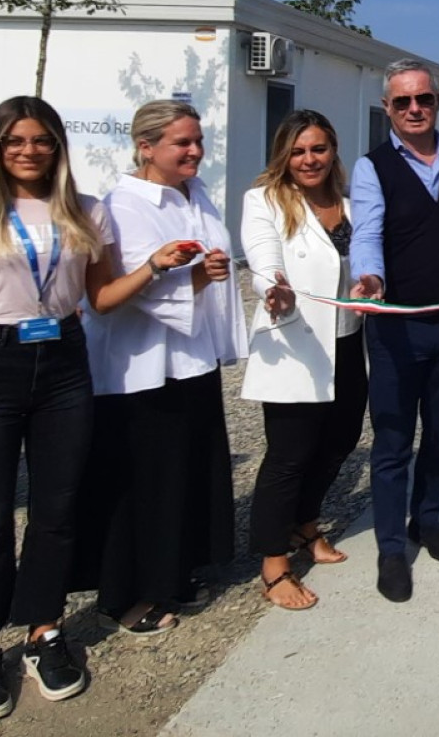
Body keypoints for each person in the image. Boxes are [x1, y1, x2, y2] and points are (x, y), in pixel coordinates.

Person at [0, 96, 201, 723]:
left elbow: (100, 297)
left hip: (65, 365)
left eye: (42, 140)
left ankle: (43, 631)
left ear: (57, 146)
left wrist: (153, 267)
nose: (29, 151)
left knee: (56, 512)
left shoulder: (86, 211)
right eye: (16, 141)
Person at [77, 99, 248, 637]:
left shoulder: (194, 194)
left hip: (191, 359)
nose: (195, 150)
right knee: (142, 481)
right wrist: (197, 277)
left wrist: (210, 271)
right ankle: (126, 594)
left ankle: (174, 571)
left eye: (198, 141)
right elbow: (127, 291)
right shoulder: (124, 205)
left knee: (185, 472)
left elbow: (205, 265)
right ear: (146, 147)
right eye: (183, 143)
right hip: (141, 366)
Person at [350, 59, 439, 602]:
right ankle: (389, 549)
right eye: (402, 102)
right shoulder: (371, 167)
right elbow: (367, 233)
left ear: (438, 102)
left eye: (422, 99)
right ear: (388, 108)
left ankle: (426, 520)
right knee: (394, 442)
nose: (413, 109)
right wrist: (369, 277)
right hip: (397, 330)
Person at [239, 110, 366, 611]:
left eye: (318, 149)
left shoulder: (350, 205)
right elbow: (262, 256)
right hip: (295, 344)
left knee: (340, 442)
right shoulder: (265, 200)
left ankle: (304, 524)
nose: (309, 160)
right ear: (283, 156)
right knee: (289, 456)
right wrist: (273, 287)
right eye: (298, 151)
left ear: (333, 151)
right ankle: (273, 563)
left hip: (348, 340)